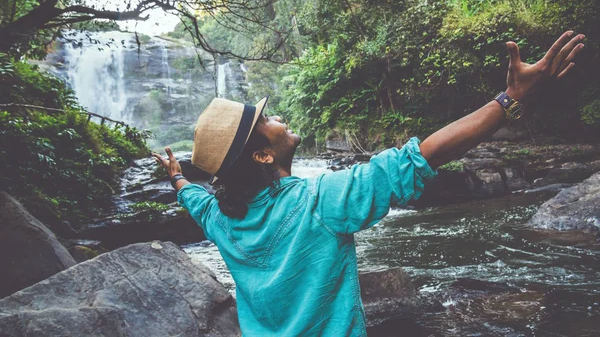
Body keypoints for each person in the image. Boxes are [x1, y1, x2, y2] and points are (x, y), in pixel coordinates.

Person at [153, 31, 585, 336]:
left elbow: (193, 196)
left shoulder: (221, 219)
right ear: (262, 156)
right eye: (266, 120)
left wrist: (175, 174)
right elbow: (425, 155)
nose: (276, 116)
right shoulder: (320, 200)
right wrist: (512, 99)